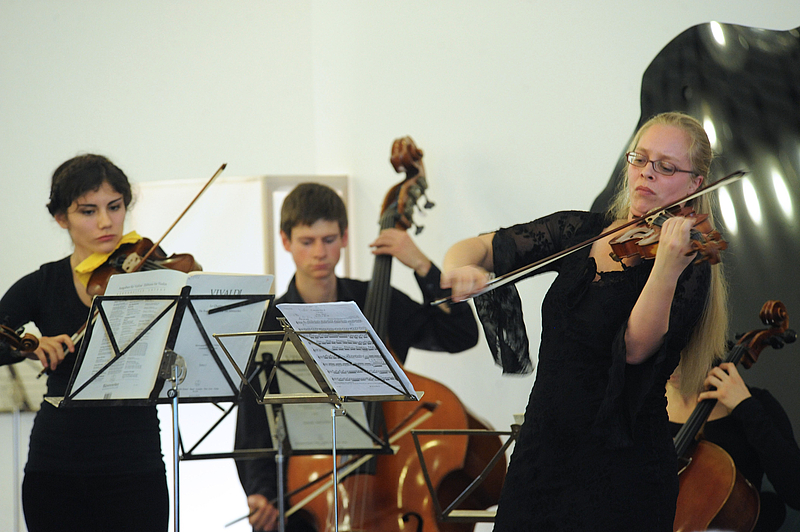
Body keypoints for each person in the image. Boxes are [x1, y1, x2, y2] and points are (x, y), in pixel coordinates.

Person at [440, 111, 729, 531]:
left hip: (622, 471)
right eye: (640, 159)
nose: (646, 172)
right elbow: (479, 248)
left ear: (694, 184)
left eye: (666, 167)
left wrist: (667, 266)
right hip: (541, 454)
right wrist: (459, 268)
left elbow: (635, 349)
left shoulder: (690, 263)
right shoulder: (582, 230)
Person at [235, 182, 479, 532]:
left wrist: (423, 266)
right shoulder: (269, 324)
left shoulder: (375, 299)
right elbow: (253, 425)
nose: (320, 252)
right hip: (305, 501)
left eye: (329, 239)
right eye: (307, 241)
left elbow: (459, 334)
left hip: (391, 487)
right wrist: (262, 494)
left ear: (345, 237)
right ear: (285, 241)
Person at [0, 154, 169, 532]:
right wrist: (27, 345)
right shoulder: (42, 284)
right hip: (58, 466)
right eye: (88, 211)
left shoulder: (155, 278)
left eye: (115, 207)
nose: (106, 222)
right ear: (62, 218)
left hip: (135, 462)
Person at [667, 361, 800, 532]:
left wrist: (746, 407)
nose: (670, 361)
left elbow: (796, 492)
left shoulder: (755, 405)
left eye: (682, 351)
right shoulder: (641, 406)